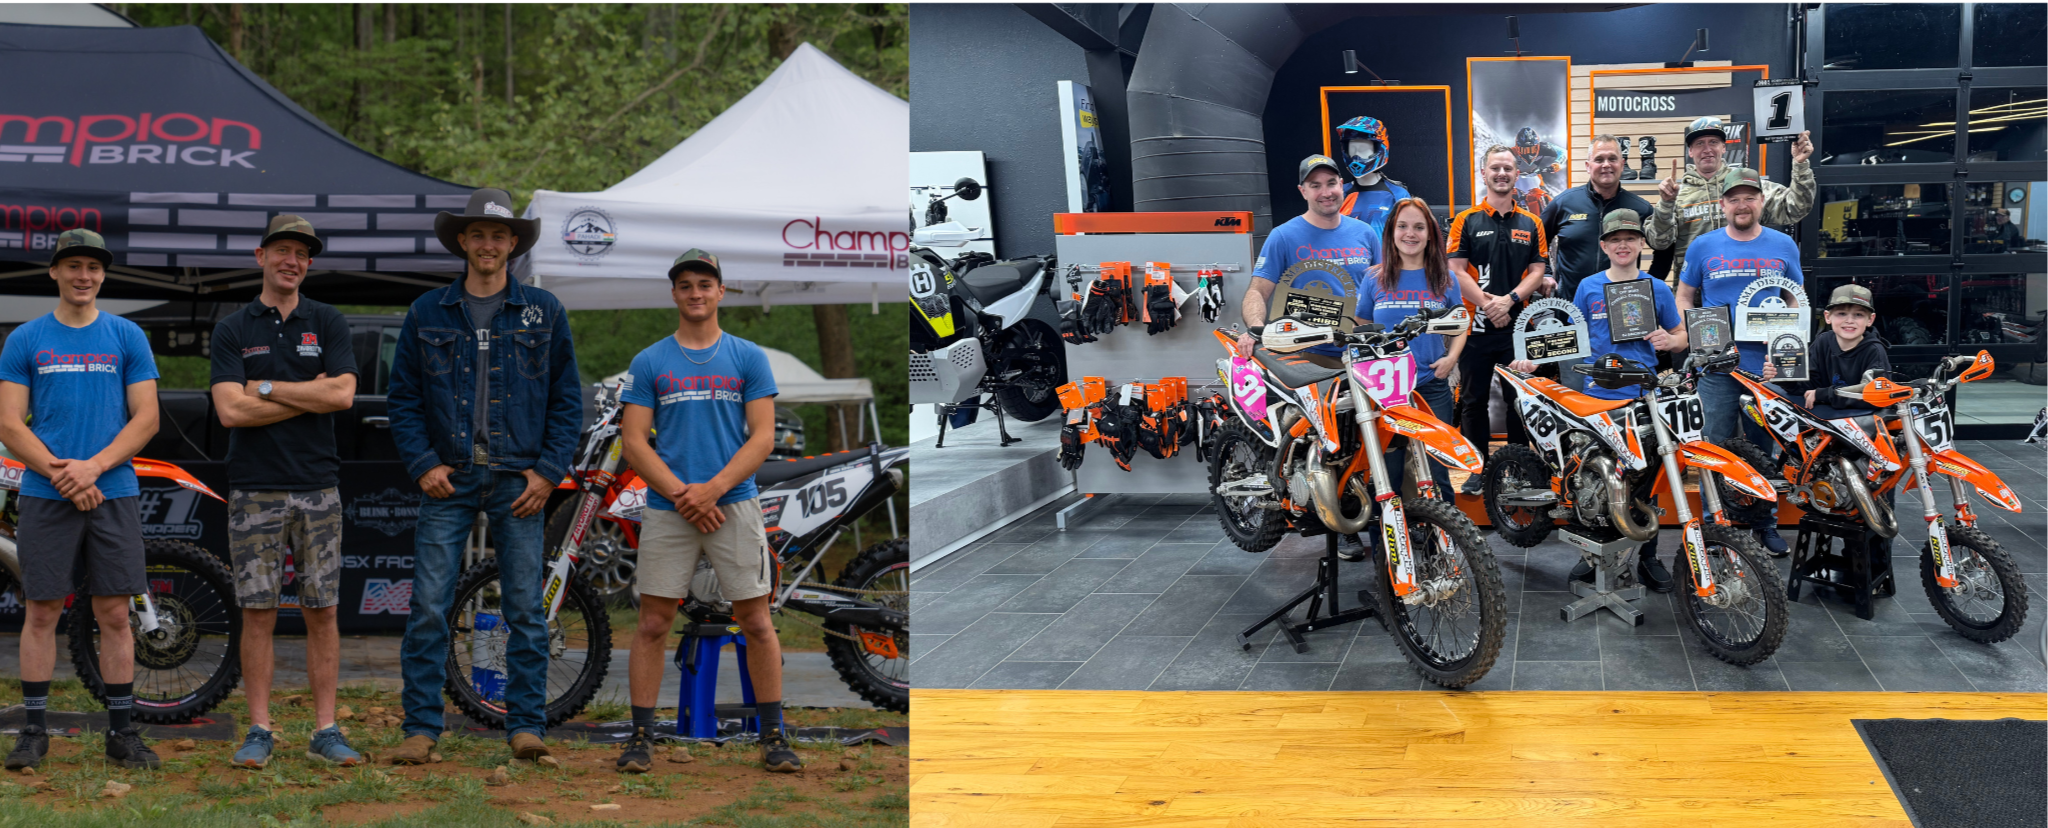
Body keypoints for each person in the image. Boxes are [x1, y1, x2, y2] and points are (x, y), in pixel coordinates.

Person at [387, 188, 582, 765]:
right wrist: (423, 464)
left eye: (499, 235)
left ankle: (526, 727)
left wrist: (547, 474)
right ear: (463, 243)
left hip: (518, 483)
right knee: (428, 606)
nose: (488, 244)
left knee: (525, 608)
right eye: (478, 235)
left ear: (513, 244)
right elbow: (404, 400)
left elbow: (567, 401)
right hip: (449, 481)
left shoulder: (543, 311)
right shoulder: (428, 311)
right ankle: (420, 730)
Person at [615, 250, 798, 774]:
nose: (695, 293)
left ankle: (773, 736)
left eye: (705, 284)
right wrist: (683, 495)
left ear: (721, 292)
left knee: (756, 620)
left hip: (732, 505)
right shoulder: (650, 361)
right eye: (685, 285)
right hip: (670, 508)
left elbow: (763, 437)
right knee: (653, 621)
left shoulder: (746, 356)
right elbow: (634, 442)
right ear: (673, 294)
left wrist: (712, 489)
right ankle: (641, 737)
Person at [0, 229, 161, 770]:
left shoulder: (127, 335)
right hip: (47, 494)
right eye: (73, 266)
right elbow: (7, 424)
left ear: (102, 274)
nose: (83, 276)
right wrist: (61, 473)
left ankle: (121, 732)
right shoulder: (25, 338)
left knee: (116, 613)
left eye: (93, 266)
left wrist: (93, 467)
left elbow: (147, 418)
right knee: (42, 611)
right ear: (55, 272)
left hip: (112, 488)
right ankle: (34, 731)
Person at [210, 216, 365, 768]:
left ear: (309, 263)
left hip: (318, 488)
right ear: (260, 256)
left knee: (323, 611)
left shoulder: (326, 321)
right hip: (255, 490)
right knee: (259, 612)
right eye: (281, 250)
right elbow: (230, 410)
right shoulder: (233, 328)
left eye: (301, 253)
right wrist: (311, 392)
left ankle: (326, 730)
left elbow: (344, 396)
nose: (291, 260)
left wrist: (270, 388)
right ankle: (259, 729)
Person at [1512, 209, 1687, 592]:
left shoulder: (1656, 287)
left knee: (1646, 480)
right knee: (1596, 476)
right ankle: (1594, 558)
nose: (1623, 245)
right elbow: (1570, 336)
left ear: (1641, 243)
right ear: (1605, 246)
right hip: (1596, 397)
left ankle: (1649, 557)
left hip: (1643, 396)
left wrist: (1669, 341)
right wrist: (1533, 357)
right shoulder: (1588, 287)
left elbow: (1680, 335)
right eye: (1615, 239)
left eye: (1630, 238)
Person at [1677, 167, 1801, 555]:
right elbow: (1684, 295)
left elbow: (1794, 299)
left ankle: (1764, 522)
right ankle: (1718, 524)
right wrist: (1696, 333)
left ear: (1761, 201)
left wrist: (1785, 352)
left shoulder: (1783, 245)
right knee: (1715, 446)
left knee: (1763, 448)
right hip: (1716, 368)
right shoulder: (1703, 246)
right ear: (1723, 204)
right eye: (1734, 198)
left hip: (1763, 367)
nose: (1742, 204)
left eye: (1750, 197)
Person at [1449, 144, 1551, 494]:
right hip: (1475, 329)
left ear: (1515, 172)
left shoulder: (1533, 223)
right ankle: (1478, 470)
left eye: (1507, 168)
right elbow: (1455, 270)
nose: (1502, 173)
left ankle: (1520, 469)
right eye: (1495, 168)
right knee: (1473, 402)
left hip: (1517, 329)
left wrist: (1508, 301)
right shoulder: (1466, 220)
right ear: (1484, 173)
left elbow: (1538, 271)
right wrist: (1488, 304)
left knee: (1519, 401)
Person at [1355, 197, 1463, 498]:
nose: (1410, 234)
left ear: (1430, 233)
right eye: (1402, 226)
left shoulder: (1445, 278)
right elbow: (1362, 325)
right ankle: (1384, 544)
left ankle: (1446, 542)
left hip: (1431, 386)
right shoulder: (1374, 278)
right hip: (1384, 391)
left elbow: (1460, 325)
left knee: (1438, 469)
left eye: (1418, 227)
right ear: (1391, 232)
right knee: (1386, 475)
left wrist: (1450, 359)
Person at [1236, 154, 1382, 362]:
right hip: (1308, 356)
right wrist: (1257, 329)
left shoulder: (1365, 233)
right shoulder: (1283, 236)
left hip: (1363, 351)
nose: (1326, 192)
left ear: (1341, 185)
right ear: (1303, 191)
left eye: (1331, 183)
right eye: (1315, 186)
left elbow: (1384, 290)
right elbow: (1257, 291)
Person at [1648, 117, 1815, 283]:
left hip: (1745, 290)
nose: (1707, 149)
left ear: (1723, 148)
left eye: (1713, 142)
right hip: (1695, 299)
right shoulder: (1677, 195)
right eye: (1700, 143)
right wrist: (1666, 204)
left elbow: (1795, 208)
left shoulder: (1748, 186)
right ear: (1690, 151)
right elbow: (1659, 242)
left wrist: (1800, 165)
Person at [1543, 134, 1659, 305]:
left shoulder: (1641, 208)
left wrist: (1652, 281)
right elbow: (1537, 239)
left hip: (1622, 306)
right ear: (1588, 166)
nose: (1606, 165)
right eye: (1599, 159)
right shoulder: (1564, 203)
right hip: (1571, 305)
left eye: (1612, 159)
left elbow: (1664, 247)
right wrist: (1545, 273)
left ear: (1622, 164)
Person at [1335, 116, 1412, 234]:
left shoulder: (1397, 195)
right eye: (1352, 149)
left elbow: (1409, 237)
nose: (1356, 155)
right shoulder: (1340, 193)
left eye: (1363, 149)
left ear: (1380, 150)